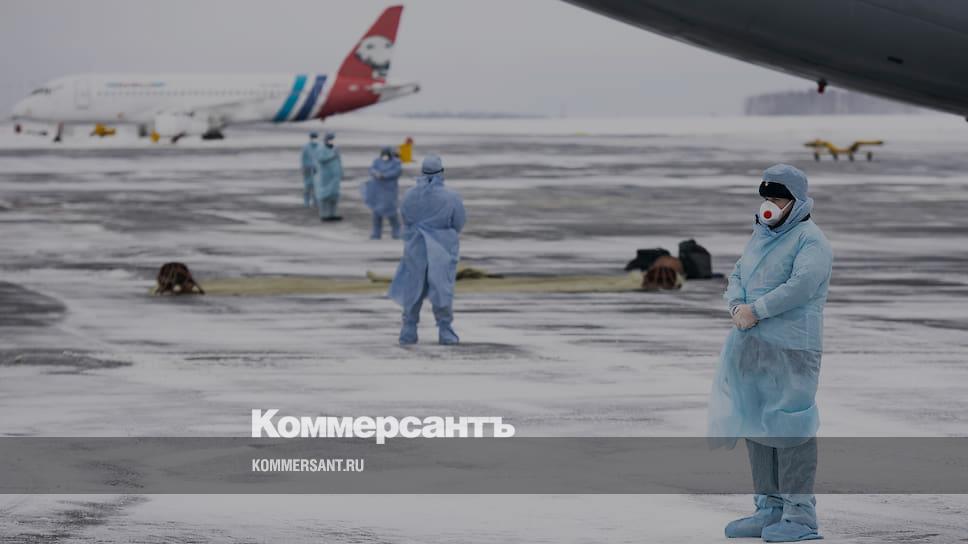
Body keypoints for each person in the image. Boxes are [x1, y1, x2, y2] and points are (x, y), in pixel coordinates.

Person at [708, 164, 832, 542]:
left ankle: (800, 515)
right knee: (756, 422)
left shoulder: (811, 240)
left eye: (778, 199)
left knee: (790, 426)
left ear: (796, 202)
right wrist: (736, 306)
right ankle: (770, 508)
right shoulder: (759, 236)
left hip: (792, 347)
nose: (770, 206)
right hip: (752, 345)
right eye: (767, 198)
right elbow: (738, 275)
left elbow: (802, 285)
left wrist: (757, 310)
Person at [388, 154, 466, 345]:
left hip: (416, 246)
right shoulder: (451, 196)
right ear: (441, 171)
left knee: (413, 287)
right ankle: (445, 330)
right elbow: (459, 222)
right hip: (441, 248)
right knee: (442, 289)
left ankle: (409, 329)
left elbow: (405, 218)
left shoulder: (409, 195)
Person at [362, 147, 403, 239]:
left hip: (390, 190)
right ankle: (376, 233)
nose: (385, 157)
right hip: (378, 190)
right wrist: (376, 173)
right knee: (376, 212)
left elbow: (397, 171)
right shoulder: (377, 161)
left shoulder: (396, 162)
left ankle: (396, 232)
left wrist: (384, 175)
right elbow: (372, 169)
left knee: (392, 212)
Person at [315, 132, 344, 221]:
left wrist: (341, 172)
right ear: (325, 140)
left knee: (334, 196)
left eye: (332, 139)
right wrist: (332, 155)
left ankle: (332, 214)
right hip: (326, 176)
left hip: (335, 176)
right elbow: (320, 159)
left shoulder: (335, 148)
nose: (331, 141)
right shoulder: (321, 148)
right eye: (329, 139)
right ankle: (324, 215)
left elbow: (339, 161)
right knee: (324, 196)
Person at [300, 132, 320, 208]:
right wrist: (304, 168)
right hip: (308, 169)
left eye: (315, 137)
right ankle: (306, 202)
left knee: (316, 186)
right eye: (313, 137)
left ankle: (316, 202)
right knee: (307, 186)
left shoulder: (320, 147)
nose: (314, 139)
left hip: (317, 170)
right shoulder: (306, 147)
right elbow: (303, 159)